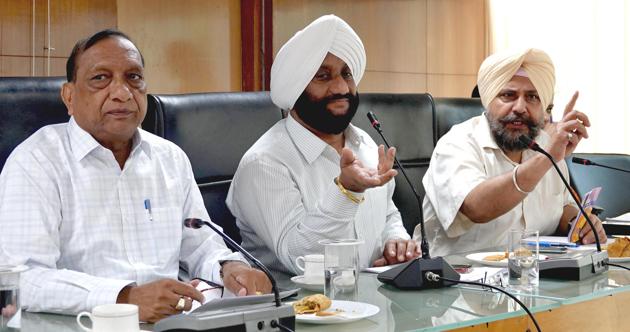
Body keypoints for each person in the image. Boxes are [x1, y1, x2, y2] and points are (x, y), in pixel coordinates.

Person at [0, 29, 270, 323]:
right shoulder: (38, 161)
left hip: (174, 322)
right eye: (100, 78)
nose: (122, 93)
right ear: (69, 96)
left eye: (133, 77)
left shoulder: (169, 158)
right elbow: (22, 278)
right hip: (82, 324)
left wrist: (229, 267)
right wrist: (124, 297)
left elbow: (201, 244)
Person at [226, 15, 418, 276]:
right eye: (323, 76)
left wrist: (395, 242)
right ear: (296, 88)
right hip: (300, 311)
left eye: (346, 74)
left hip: (376, 304)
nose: (340, 87)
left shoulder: (365, 144)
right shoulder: (265, 163)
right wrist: (346, 192)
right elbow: (300, 261)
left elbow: (386, 216)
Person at [415, 48, 607, 256]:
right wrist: (546, 159)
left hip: (530, 276)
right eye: (508, 95)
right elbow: (476, 207)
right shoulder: (456, 144)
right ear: (488, 100)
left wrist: (579, 223)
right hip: (456, 278)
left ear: (544, 108)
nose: (520, 107)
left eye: (532, 97)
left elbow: (560, 207)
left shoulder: (545, 145)